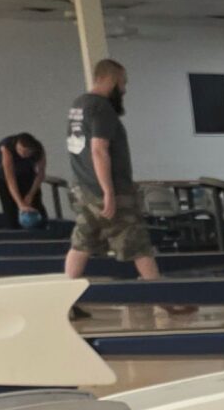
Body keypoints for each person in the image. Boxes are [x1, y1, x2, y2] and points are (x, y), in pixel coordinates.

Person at [63, 58, 161, 282]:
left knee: (82, 243)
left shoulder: (79, 104)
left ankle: (67, 290)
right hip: (108, 190)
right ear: (110, 79)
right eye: (122, 82)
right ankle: (161, 292)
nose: (124, 89)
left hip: (83, 188)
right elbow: (99, 149)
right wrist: (108, 191)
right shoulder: (101, 107)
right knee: (136, 241)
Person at [0, 131, 46, 227]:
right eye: (21, 151)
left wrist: (30, 195)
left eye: (27, 152)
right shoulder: (7, 148)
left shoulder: (39, 150)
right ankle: (13, 229)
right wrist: (21, 204)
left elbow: (40, 174)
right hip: (5, 178)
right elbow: (10, 179)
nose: (23, 154)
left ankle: (42, 227)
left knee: (36, 205)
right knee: (11, 210)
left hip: (27, 174)